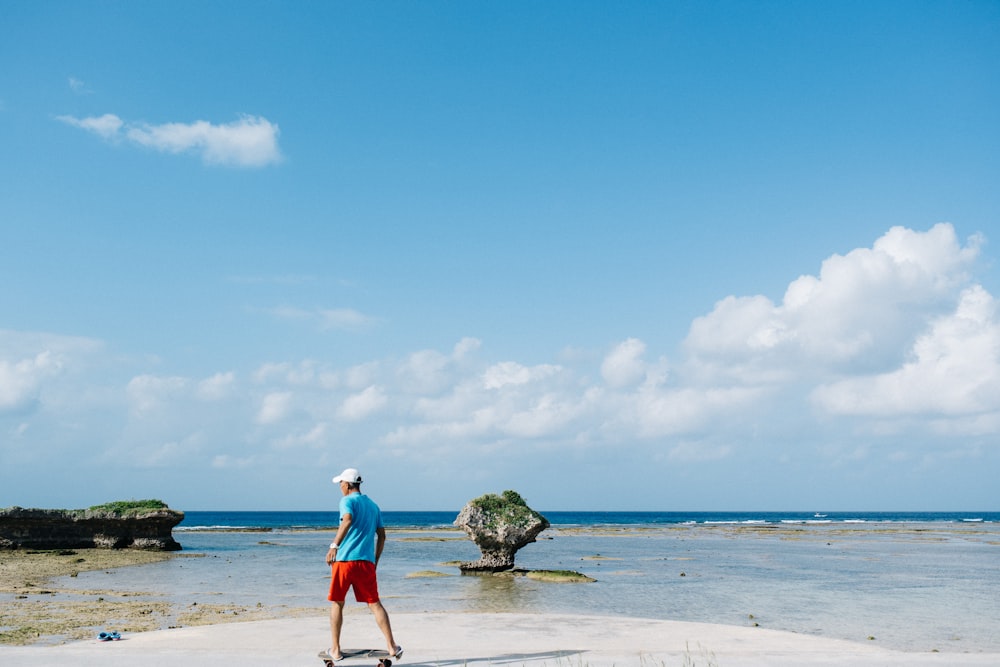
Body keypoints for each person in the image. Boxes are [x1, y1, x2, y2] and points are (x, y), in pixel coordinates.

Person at [325, 468, 402, 662]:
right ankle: (392, 646)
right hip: (366, 563)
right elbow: (382, 535)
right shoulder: (373, 505)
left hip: (344, 561)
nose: (340, 487)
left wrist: (334, 545)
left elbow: (347, 520)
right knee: (374, 603)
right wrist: (375, 560)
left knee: (337, 603)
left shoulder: (347, 501)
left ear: (348, 484)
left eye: (341, 483)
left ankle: (335, 649)